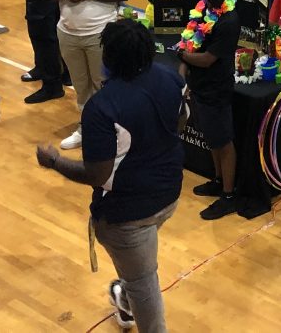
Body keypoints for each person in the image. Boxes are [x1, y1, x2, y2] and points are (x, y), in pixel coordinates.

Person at [36, 19, 184, 332]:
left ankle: (135, 304)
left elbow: (96, 173)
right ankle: (125, 302)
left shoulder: (101, 108)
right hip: (169, 194)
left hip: (127, 213)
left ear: (108, 57)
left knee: (144, 282)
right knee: (138, 270)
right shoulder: (170, 77)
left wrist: (55, 161)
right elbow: (183, 118)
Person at [40, 0, 132, 151]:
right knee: (81, 87)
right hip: (68, 33)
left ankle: (111, 130)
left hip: (100, 33)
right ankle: (85, 127)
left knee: (104, 84)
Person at [176, 0, 241, 220]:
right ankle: (217, 180)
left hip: (217, 88)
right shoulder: (201, 9)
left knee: (223, 142)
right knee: (213, 139)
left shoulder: (229, 20)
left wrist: (181, 57)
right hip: (200, 86)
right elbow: (190, 40)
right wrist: (184, 69)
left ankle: (228, 196)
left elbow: (206, 59)